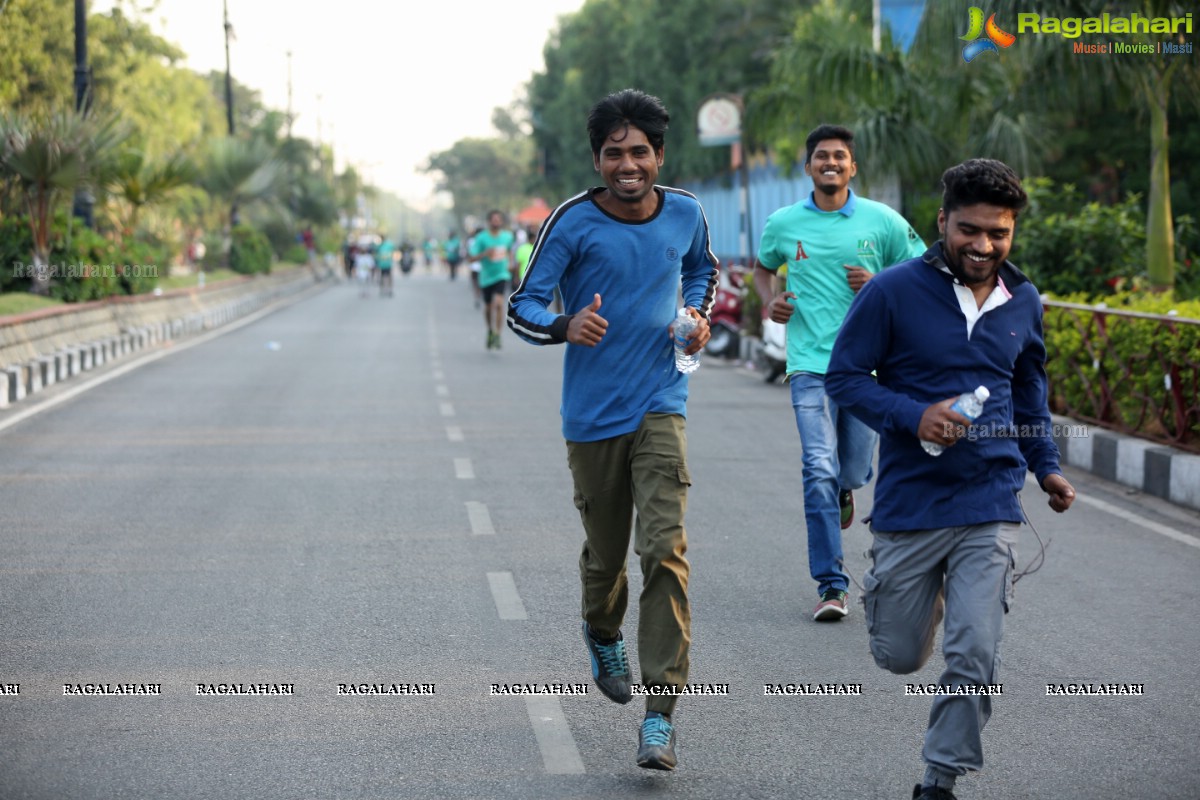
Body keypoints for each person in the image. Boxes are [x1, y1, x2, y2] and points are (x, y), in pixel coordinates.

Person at [825, 158, 1076, 800]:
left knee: (973, 652)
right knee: (900, 654)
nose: (984, 246)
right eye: (970, 230)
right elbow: (845, 377)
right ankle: (918, 598)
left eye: (999, 232)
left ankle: (939, 778)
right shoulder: (892, 291)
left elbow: (1029, 386)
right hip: (912, 503)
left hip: (990, 499)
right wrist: (914, 416)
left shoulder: (1023, 300)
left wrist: (1045, 467)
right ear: (942, 223)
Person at [508, 88, 718, 771]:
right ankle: (602, 630)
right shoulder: (572, 221)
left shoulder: (686, 212)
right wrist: (566, 324)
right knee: (606, 556)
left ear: (659, 155)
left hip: (662, 402)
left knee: (665, 550)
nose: (627, 166)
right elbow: (524, 306)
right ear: (597, 159)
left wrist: (694, 313)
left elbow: (701, 269)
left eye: (639, 153)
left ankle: (661, 715)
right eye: (613, 154)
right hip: (593, 418)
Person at [752, 124, 926, 622]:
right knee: (817, 467)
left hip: (868, 367)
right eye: (822, 156)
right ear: (808, 167)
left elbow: (921, 271)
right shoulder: (784, 223)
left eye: (840, 156)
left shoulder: (882, 220)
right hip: (809, 364)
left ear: (853, 167)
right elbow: (764, 269)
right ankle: (832, 584)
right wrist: (771, 302)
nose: (831, 162)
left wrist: (880, 282)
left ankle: (847, 488)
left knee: (849, 469)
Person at [471, 211, 516, 350]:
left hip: (502, 275)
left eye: (498, 219)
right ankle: (490, 329)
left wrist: (510, 262)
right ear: (489, 222)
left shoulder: (507, 237)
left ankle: (497, 334)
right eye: (494, 220)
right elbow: (471, 258)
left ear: (501, 221)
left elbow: (510, 251)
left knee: (499, 304)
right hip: (486, 277)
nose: (496, 222)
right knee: (489, 307)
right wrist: (485, 253)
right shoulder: (481, 238)